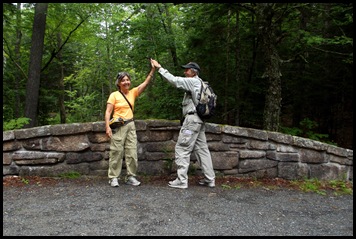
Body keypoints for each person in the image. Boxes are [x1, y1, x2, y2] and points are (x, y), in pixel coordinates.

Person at [150, 58, 215, 189]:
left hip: (192, 121)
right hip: (200, 121)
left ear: (193, 72)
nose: (185, 72)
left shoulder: (193, 82)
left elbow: (175, 81)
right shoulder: (202, 83)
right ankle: (210, 179)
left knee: (182, 148)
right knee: (202, 150)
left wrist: (159, 68)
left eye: (187, 70)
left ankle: (181, 180)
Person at [105, 65, 156, 187]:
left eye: (127, 80)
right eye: (123, 80)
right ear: (119, 83)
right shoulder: (114, 95)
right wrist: (107, 127)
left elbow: (145, 83)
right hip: (118, 126)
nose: (126, 82)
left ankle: (131, 176)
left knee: (132, 152)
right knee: (116, 152)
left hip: (131, 125)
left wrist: (153, 70)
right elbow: (108, 112)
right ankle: (113, 177)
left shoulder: (133, 92)